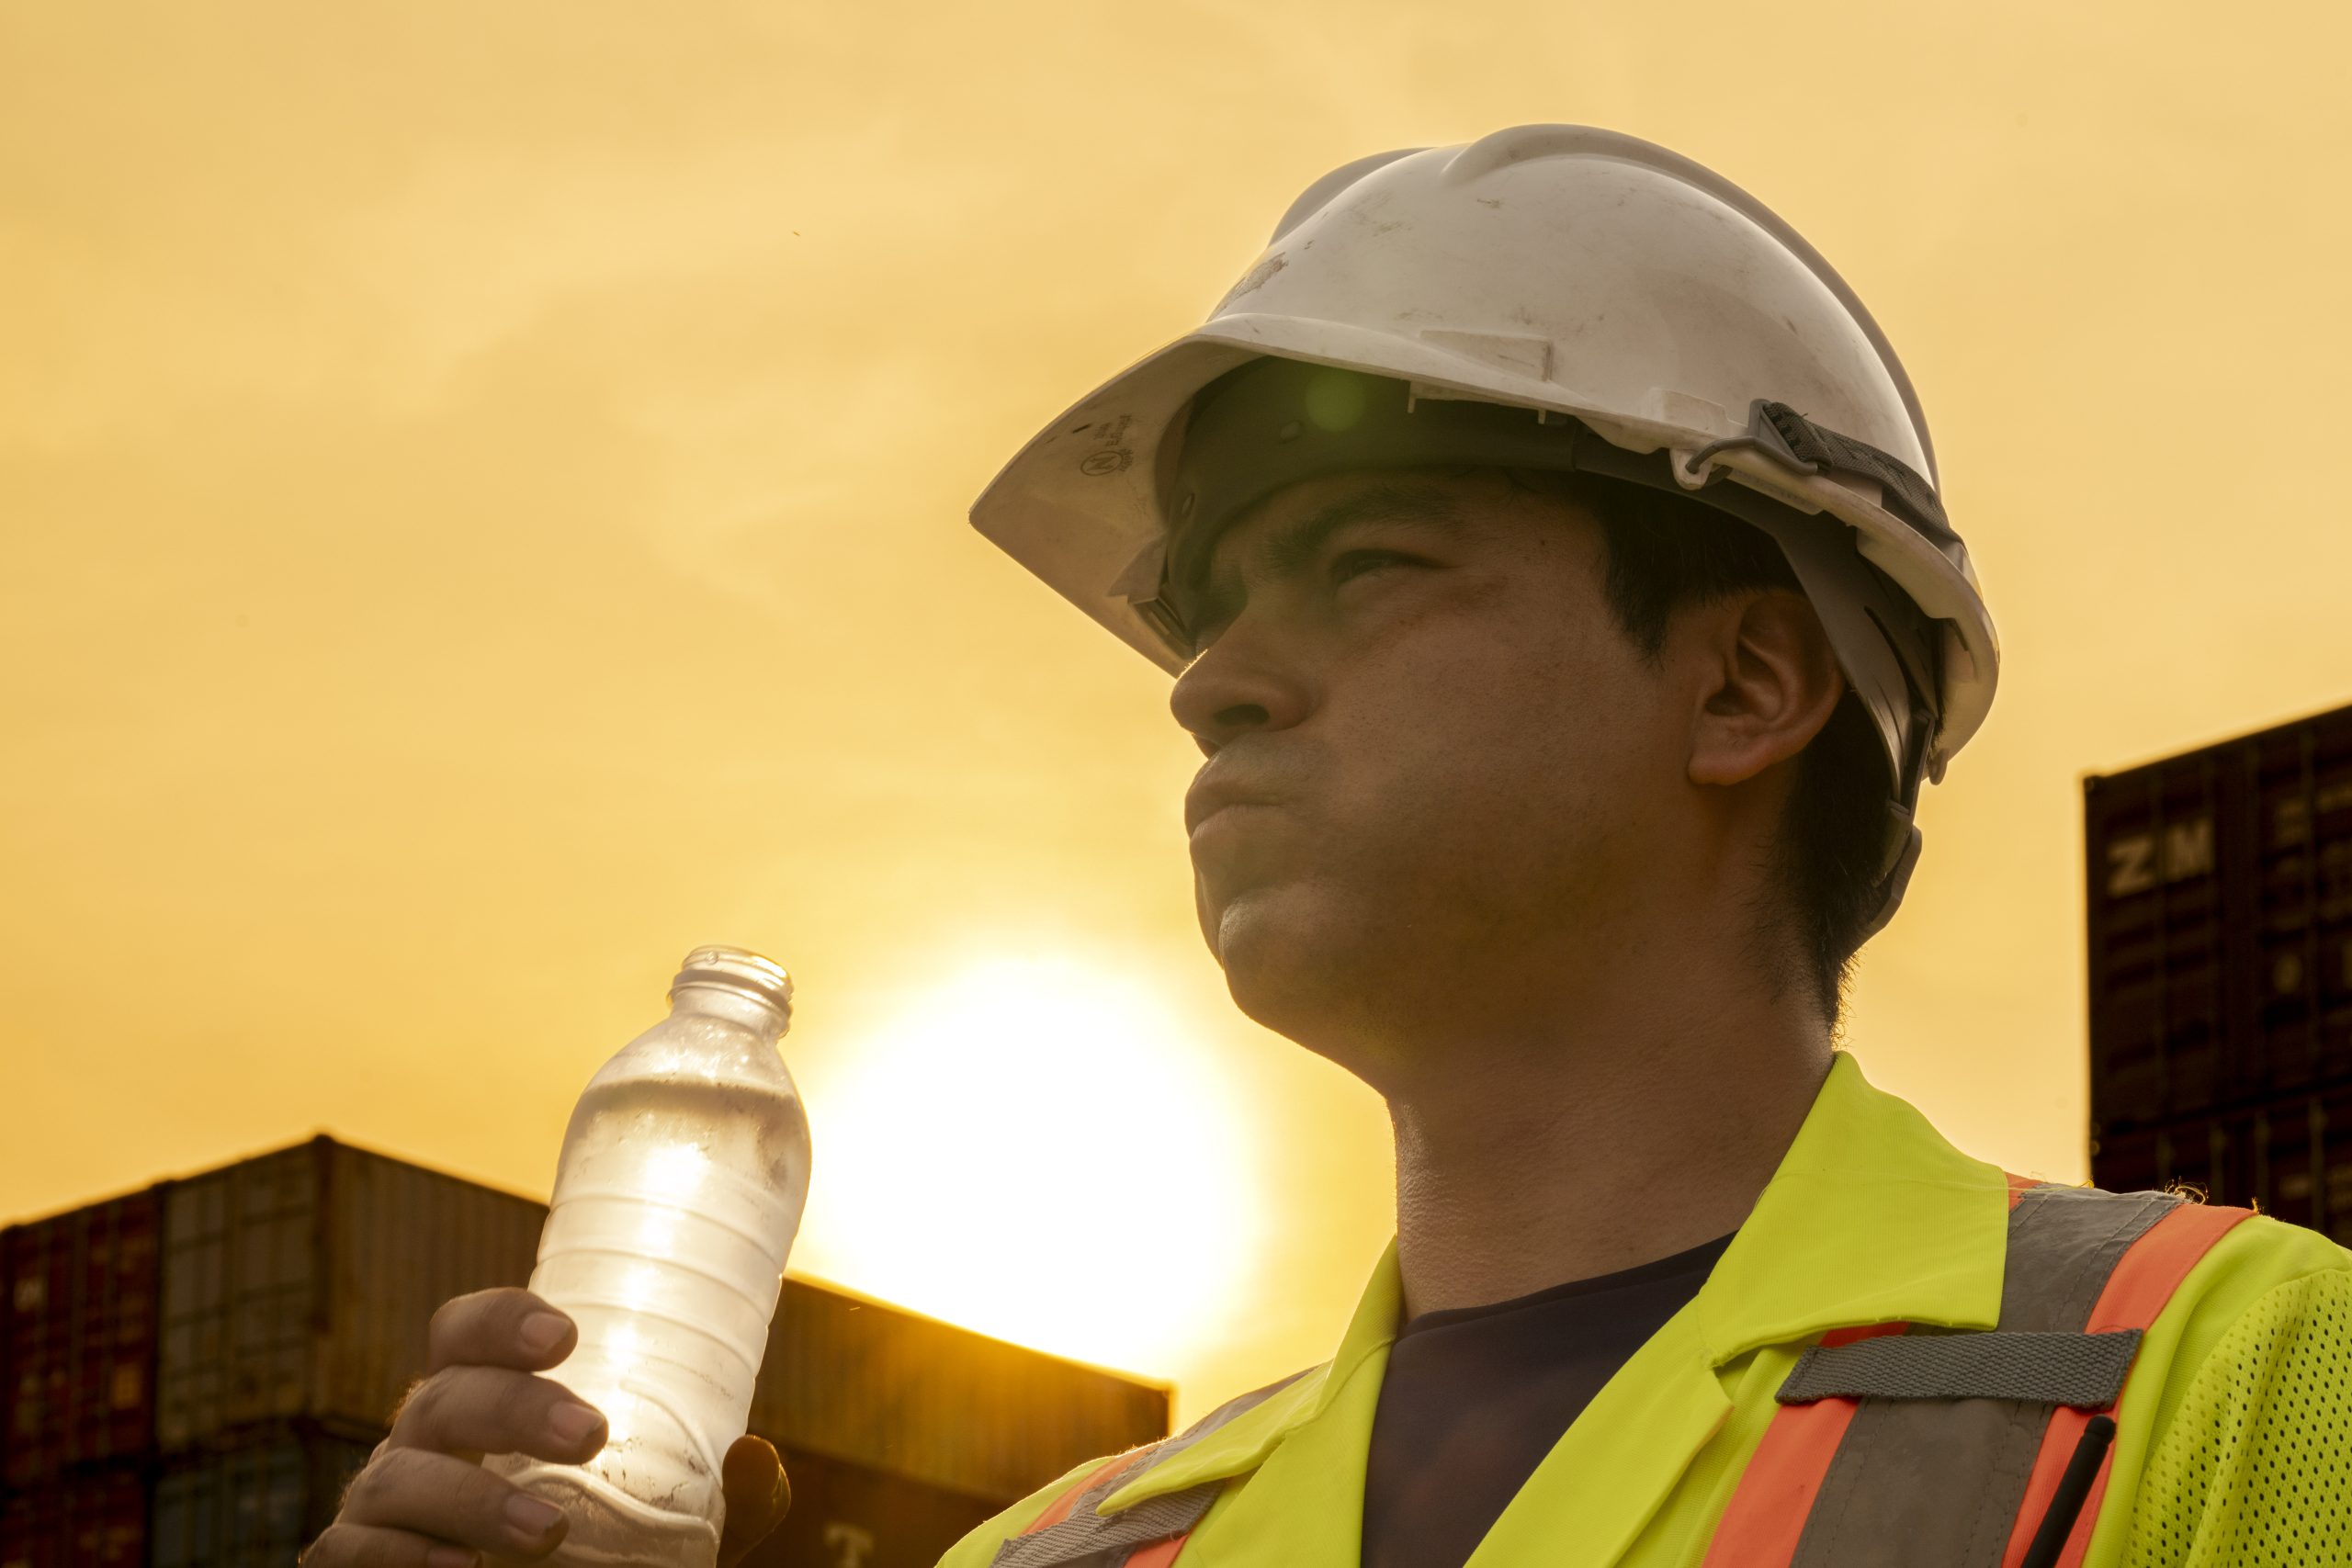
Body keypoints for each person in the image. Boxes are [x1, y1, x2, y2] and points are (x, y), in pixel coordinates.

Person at [309, 127, 2351, 1568]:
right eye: (1206, 615)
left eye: (1365, 564)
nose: (1211, 685)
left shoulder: (2216, 1382)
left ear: (1742, 686)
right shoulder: (1075, 1547)